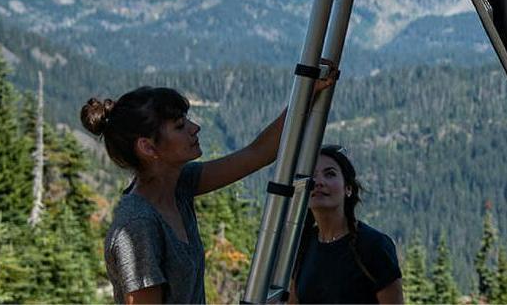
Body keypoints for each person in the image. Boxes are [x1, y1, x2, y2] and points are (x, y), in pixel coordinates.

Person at [81, 73, 334, 304]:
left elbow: (257, 154)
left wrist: (306, 95)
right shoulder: (138, 225)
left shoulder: (178, 186)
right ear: (148, 147)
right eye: (180, 126)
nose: (194, 128)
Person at [289, 145, 403, 304]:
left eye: (329, 174)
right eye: (312, 176)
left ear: (348, 188)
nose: (319, 182)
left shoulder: (375, 245)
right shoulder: (303, 244)